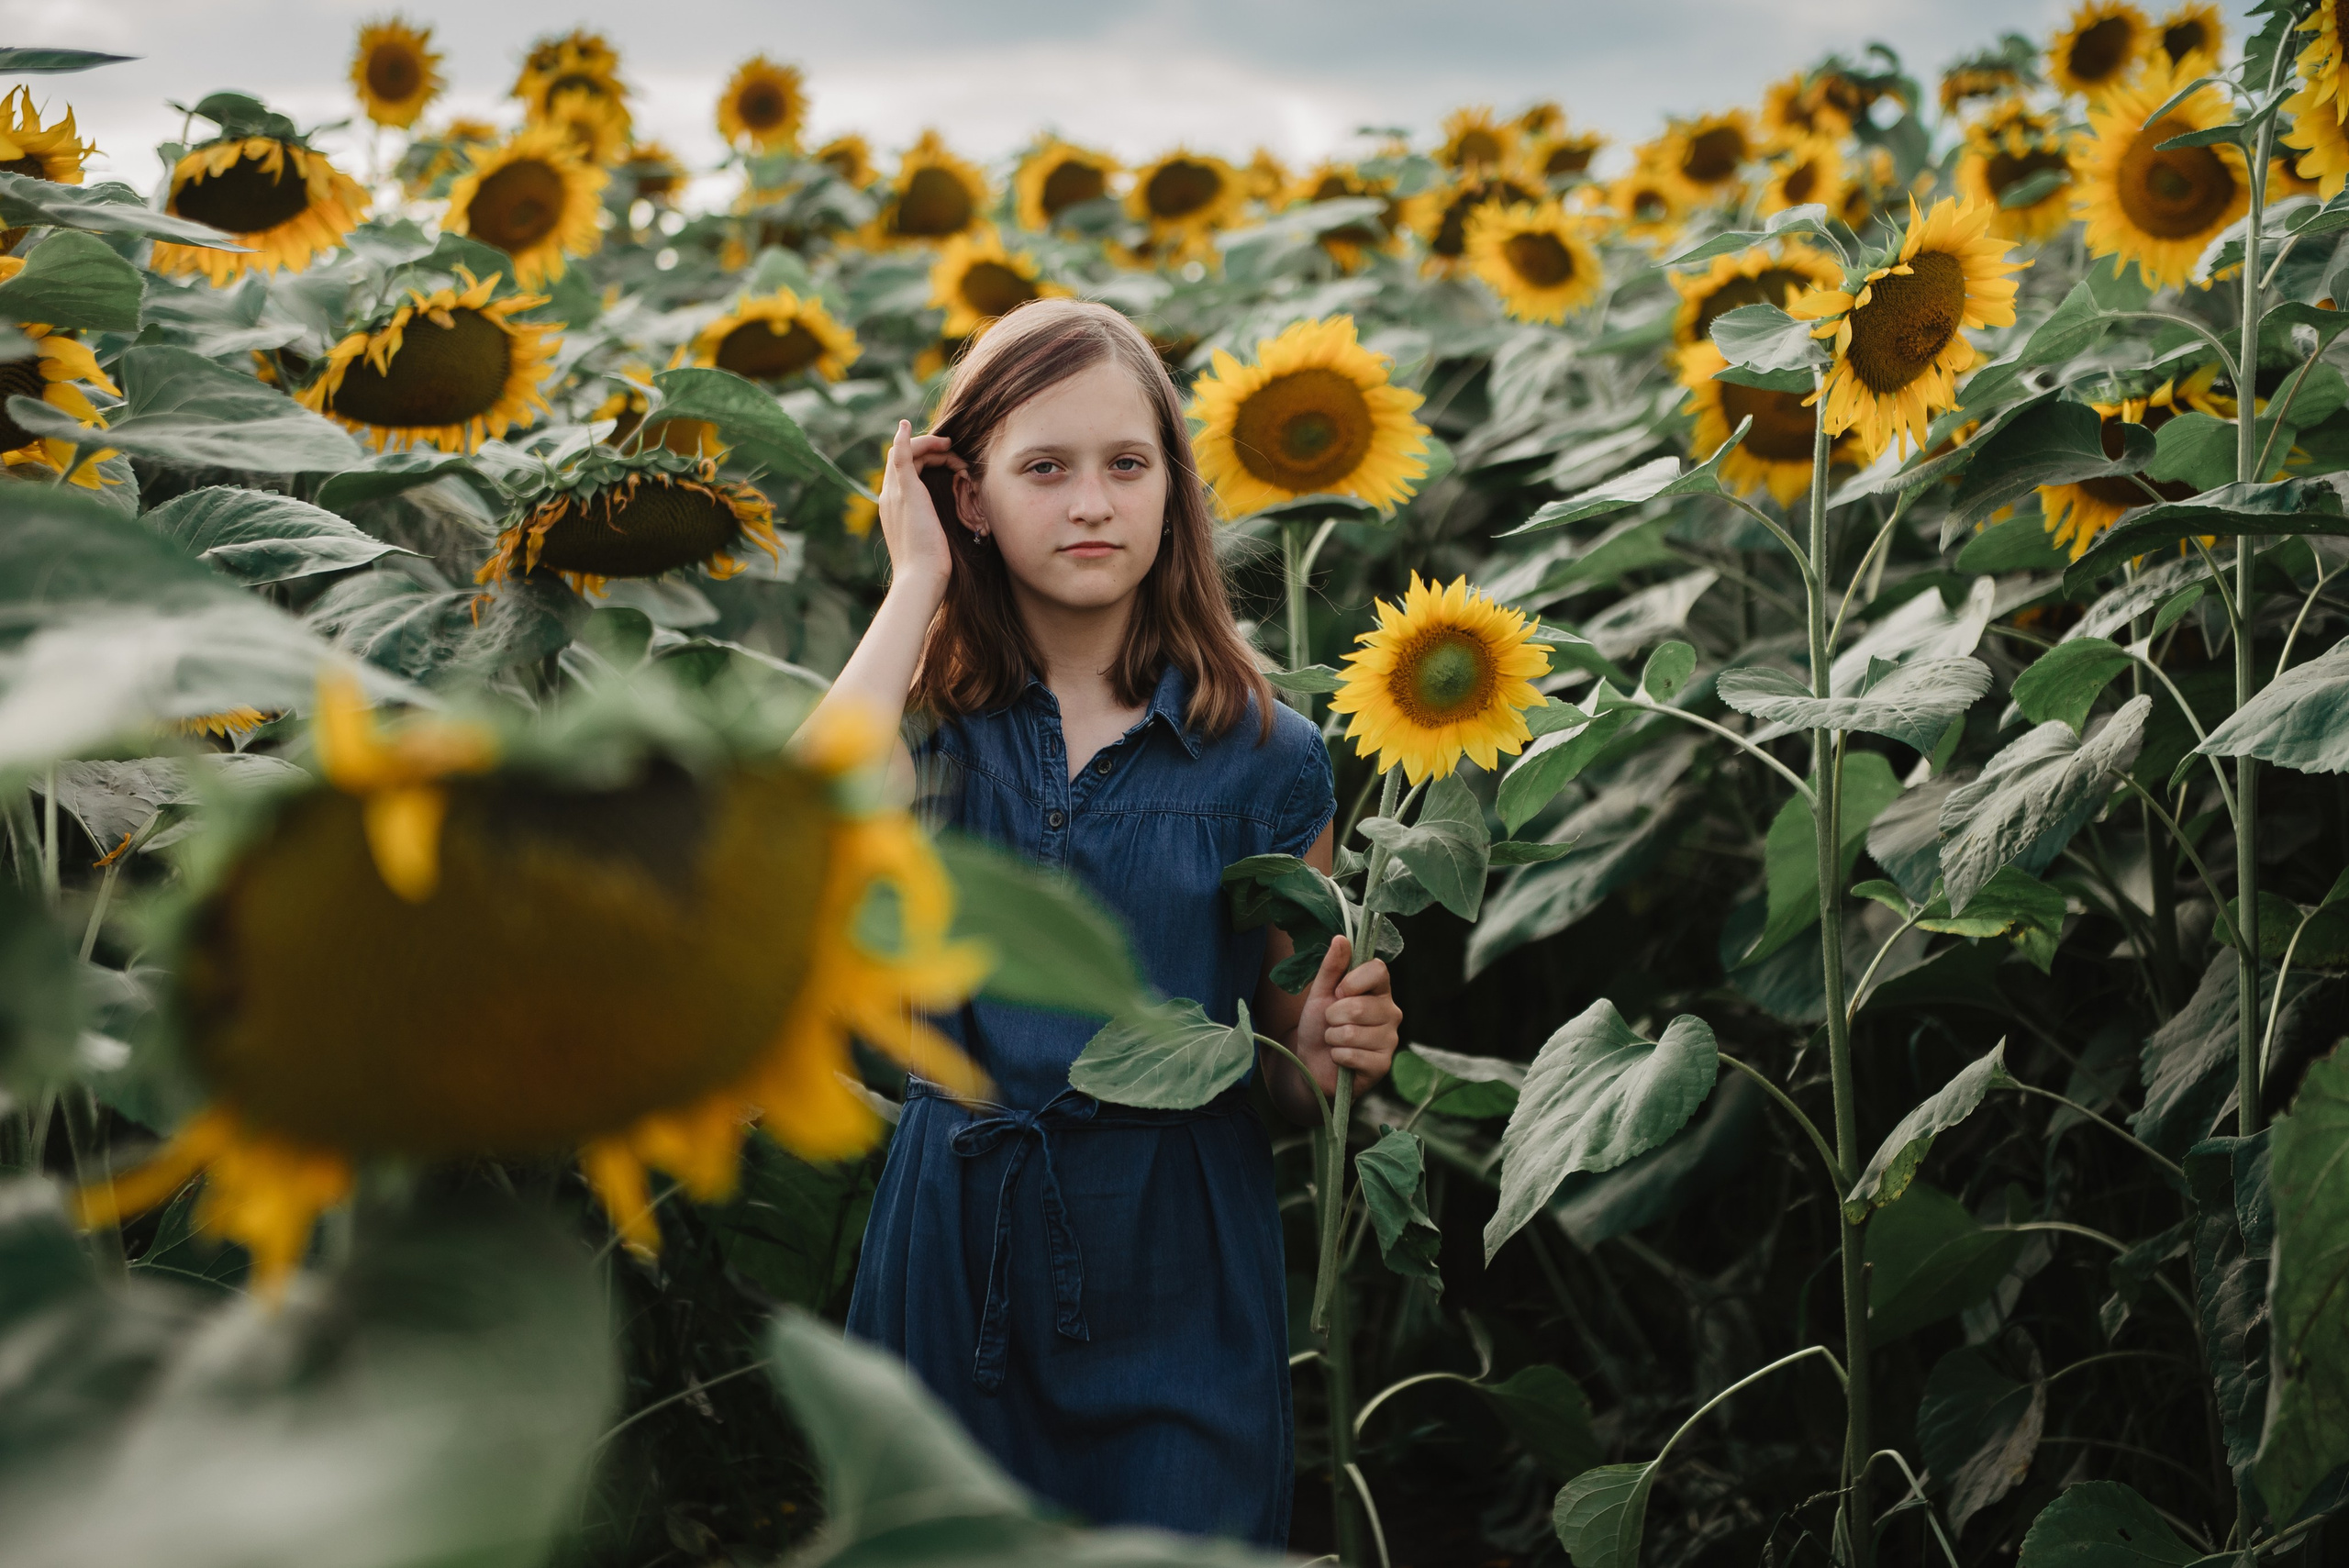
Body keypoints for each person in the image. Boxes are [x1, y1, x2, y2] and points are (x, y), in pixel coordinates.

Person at [821, 297, 1402, 1548]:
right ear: (967, 496)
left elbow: (1290, 1079)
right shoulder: (924, 729)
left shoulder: (1266, 756)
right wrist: (916, 577)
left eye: (1126, 464)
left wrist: (1334, 1049)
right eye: (1045, 468)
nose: (1092, 502)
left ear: (1172, 488)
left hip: (1178, 1253)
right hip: (955, 1243)